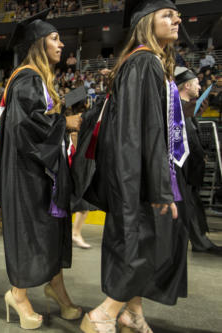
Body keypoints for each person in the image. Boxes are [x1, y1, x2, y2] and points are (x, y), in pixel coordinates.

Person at [80, 1, 189, 332]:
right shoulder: (144, 63)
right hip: (138, 176)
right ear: (146, 22)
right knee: (142, 243)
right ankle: (103, 314)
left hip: (138, 173)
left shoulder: (146, 62)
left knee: (144, 242)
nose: (177, 20)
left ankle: (132, 313)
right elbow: (142, 131)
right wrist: (158, 186)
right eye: (167, 15)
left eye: (177, 15)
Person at [0, 10, 83, 330]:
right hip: (28, 176)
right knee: (32, 234)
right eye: (55, 38)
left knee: (49, 234)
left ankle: (55, 287)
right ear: (38, 43)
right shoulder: (28, 78)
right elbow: (26, 127)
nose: (62, 44)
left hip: (42, 173)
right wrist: (65, 122)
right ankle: (18, 294)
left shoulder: (40, 79)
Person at [174, 66, 222, 255]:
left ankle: (200, 240)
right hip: (181, 169)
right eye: (196, 83)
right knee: (185, 206)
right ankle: (196, 242)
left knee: (192, 205)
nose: (200, 87)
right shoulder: (176, 108)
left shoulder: (186, 108)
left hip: (190, 169)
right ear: (186, 85)